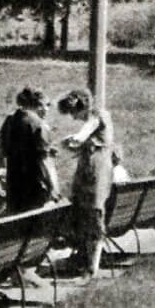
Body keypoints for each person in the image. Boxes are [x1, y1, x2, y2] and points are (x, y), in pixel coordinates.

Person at [58, 88, 115, 279]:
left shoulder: (97, 115)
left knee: (93, 216)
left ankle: (91, 268)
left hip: (94, 176)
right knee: (82, 214)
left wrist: (76, 139)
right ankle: (83, 259)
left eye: (74, 113)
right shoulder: (99, 118)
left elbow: (87, 129)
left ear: (81, 106)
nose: (73, 118)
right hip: (90, 174)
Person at [0, 87, 59, 216]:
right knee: (36, 225)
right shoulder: (39, 125)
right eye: (46, 105)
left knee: (17, 224)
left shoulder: (11, 121)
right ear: (39, 105)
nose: (47, 110)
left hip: (15, 183)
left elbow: (5, 149)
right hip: (35, 185)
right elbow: (44, 160)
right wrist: (54, 188)